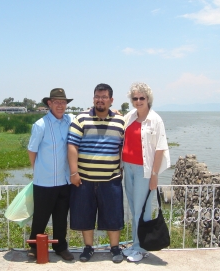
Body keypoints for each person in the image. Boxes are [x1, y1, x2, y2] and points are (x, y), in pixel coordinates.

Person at [68, 83, 125, 263]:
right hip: (84, 179)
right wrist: (74, 173)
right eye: (97, 97)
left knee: (113, 215)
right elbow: (72, 146)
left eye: (104, 97)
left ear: (111, 100)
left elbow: (124, 147)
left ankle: (115, 248)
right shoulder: (81, 119)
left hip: (111, 179)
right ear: (93, 99)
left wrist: (122, 168)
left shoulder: (120, 121)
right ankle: (88, 248)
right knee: (85, 215)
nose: (100, 100)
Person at [121, 82, 171, 262]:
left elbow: (160, 149)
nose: (138, 101)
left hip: (145, 170)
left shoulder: (155, 120)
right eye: (135, 98)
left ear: (148, 99)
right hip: (128, 167)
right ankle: (135, 244)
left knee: (143, 210)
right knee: (134, 208)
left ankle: (141, 248)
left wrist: (155, 175)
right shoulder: (130, 116)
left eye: (142, 98)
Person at [27, 88, 75, 261]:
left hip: (65, 180)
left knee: (61, 217)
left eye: (63, 102)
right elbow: (32, 151)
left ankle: (60, 246)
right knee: (40, 217)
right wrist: (38, 170)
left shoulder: (70, 121)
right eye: (56, 102)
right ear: (49, 103)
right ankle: (34, 246)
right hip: (44, 182)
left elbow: (87, 115)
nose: (60, 105)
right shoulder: (40, 125)